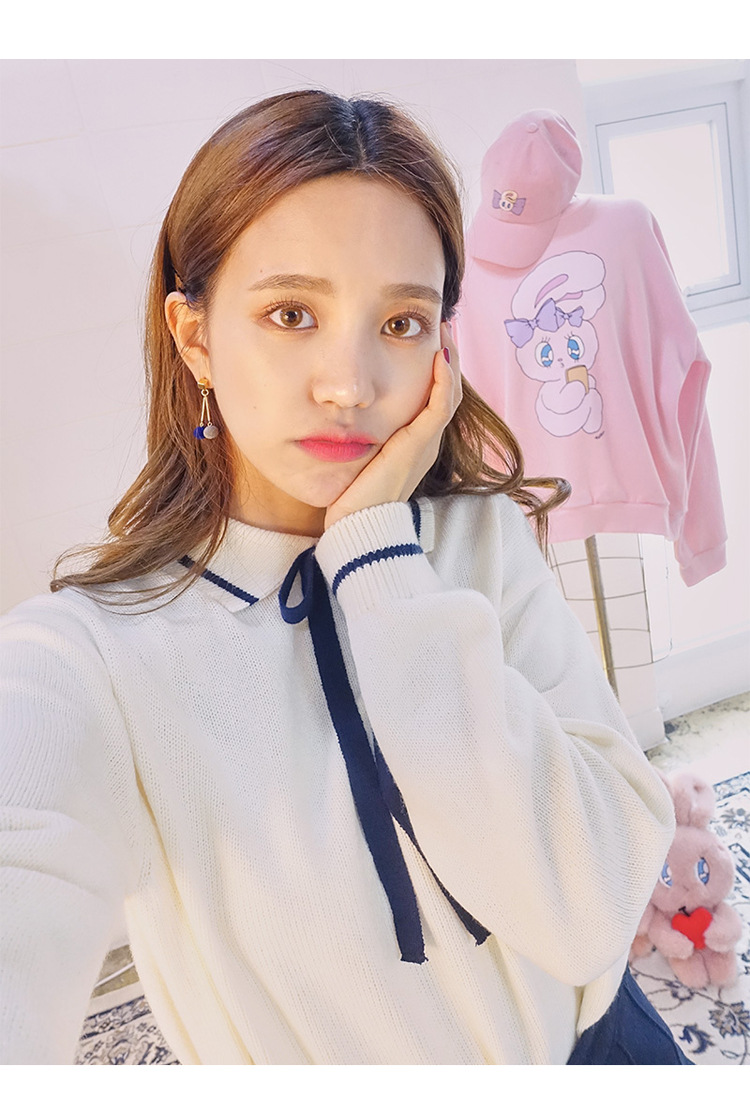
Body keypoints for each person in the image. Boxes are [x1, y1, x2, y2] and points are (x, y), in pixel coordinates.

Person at [0, 90, 688, 1065]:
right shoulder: (87, 657)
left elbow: (595, 907)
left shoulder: (480, 541)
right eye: (291, 314)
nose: (350, 384)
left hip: (609, 1046)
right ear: (195, 336)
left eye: (401, 322)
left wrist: (375, 552)